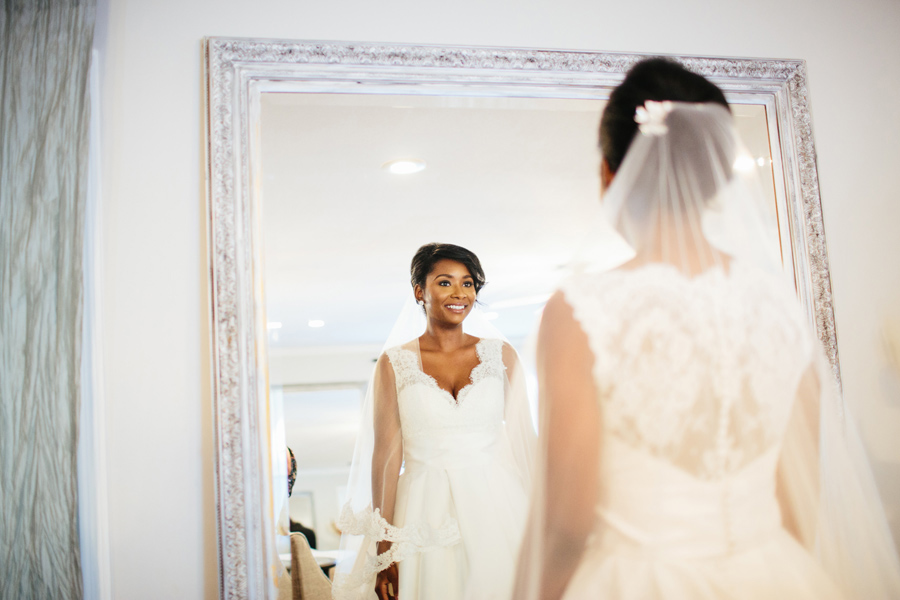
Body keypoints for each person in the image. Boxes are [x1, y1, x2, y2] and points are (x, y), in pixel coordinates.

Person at [513, 58, 900, 599]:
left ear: (609, 176)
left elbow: (565, 525)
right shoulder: (779, 305)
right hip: (772, 573)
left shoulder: (580, 310)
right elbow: (798, 502)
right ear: (716, 179)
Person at [332, 243, 535, 600]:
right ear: (419, 292)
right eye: (445, 282)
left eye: (468, 283)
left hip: (499, 506)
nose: (459, 293)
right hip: (423, 511)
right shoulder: (394, 363)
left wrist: (547, 524)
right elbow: (386, 457)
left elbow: (525, 443)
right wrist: (384, 545)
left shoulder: (501, 355)